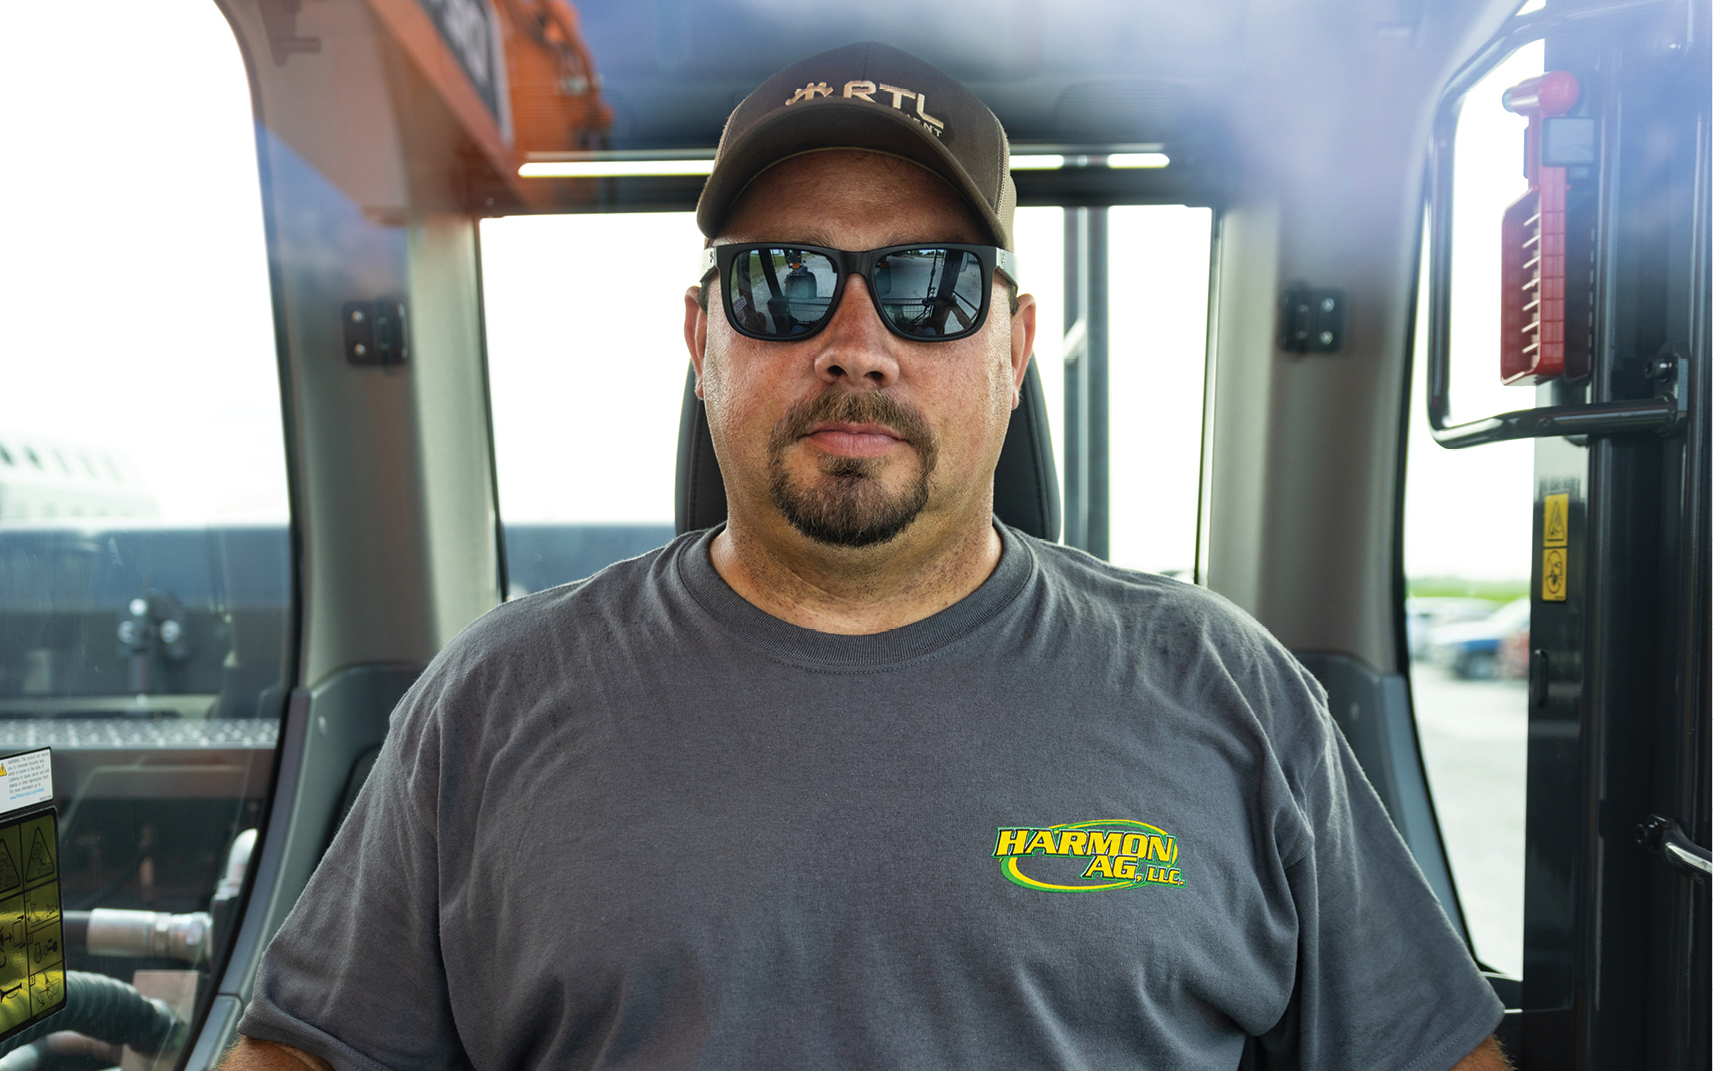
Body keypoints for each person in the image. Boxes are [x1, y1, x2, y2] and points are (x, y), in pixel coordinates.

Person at [223, 42, 1509, 1071]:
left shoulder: (1226, 688)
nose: (856, 341)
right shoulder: (492, 699)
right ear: (702, 339)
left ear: (1013, 349)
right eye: (784, 282)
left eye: (930, 286)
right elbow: (310, 1050)